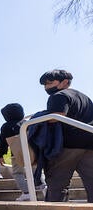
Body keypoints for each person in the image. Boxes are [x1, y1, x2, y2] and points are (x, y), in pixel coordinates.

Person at [38, 69, 93, 202]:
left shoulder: (58, 95)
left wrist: (38, 119)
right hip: (90, 145)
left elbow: (57, 116)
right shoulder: (85, 97)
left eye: (50, 83)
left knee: (56, 185)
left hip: (67, 146)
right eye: (44, 84)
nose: (47, 87)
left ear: (65, 82)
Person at [0, 103, 44, 201]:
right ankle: (41, 186)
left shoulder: (6, 126)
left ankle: (26, 192)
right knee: (35, 169)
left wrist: (0, 154)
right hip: (32, 151)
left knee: (18, 173)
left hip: (16, 153)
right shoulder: (27, 123)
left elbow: (3, 141)